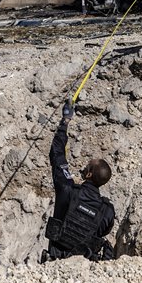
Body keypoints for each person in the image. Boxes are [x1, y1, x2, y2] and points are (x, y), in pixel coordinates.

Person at [44, 100, 115, 262]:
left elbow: (57, 155)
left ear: (89, 175)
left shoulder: (68, 190)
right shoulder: (107, 210)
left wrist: (65, 121)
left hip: (54, 260)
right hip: (85, 267)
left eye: (88, 165)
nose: (85, 164)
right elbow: (102, 232)